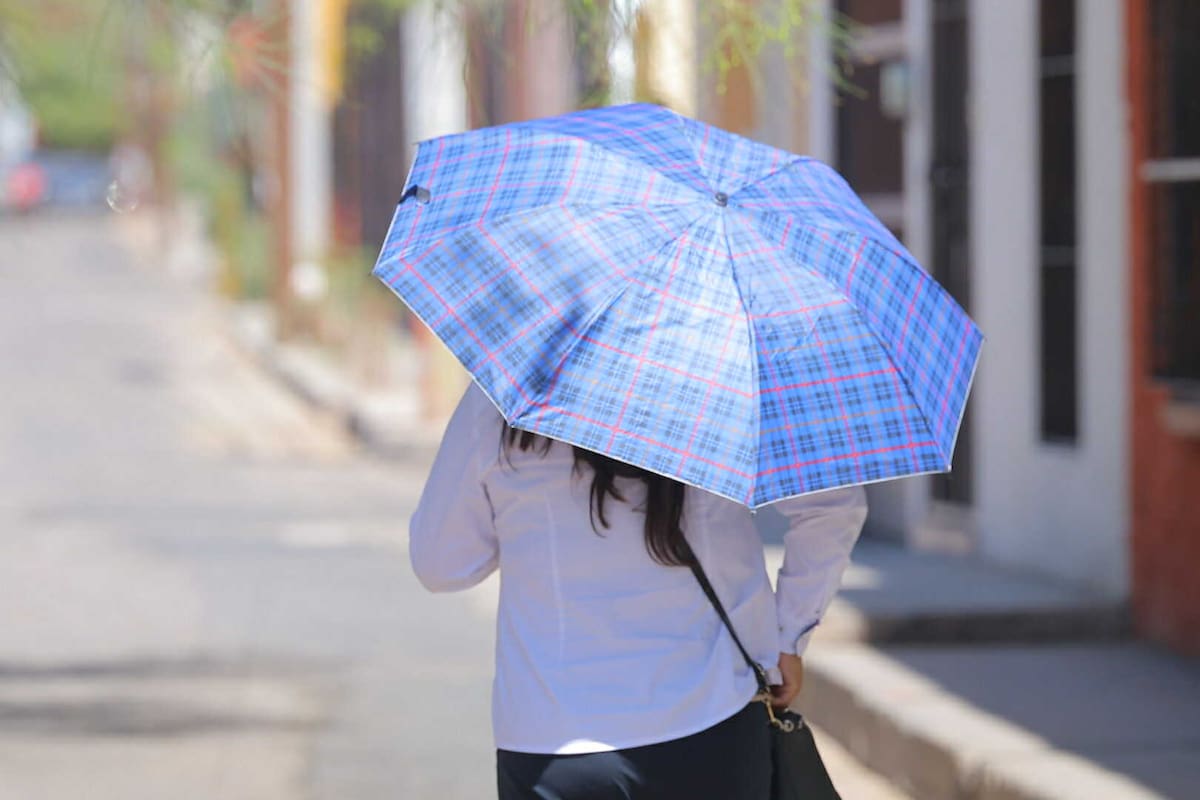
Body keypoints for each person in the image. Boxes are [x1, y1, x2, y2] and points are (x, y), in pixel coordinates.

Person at [410, 382, 868, 800]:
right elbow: (834, 505)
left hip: (551, 738)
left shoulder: (500, 395)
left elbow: (441, 565)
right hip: (713, 719)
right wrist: (789, 634)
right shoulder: (726, 380)